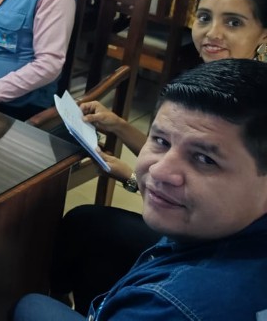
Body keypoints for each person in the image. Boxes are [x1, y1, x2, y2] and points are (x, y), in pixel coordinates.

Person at [50, 0, 267, 311]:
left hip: (217, 250)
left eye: (234, 23)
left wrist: (130, 176)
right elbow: (187, 157)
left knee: (88, 230)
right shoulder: (209, 79)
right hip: (213, 238)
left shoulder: (253, 108)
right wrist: (119, 126)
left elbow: (198, 190)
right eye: (205, 18)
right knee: (86, 227)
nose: (213, 34)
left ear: (264, 35)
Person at [13, 58, 267, 320]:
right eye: (160, 140)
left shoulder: (166, 307)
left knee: (30, 306)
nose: (159, 171)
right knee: (87, 224)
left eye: (205, 159)